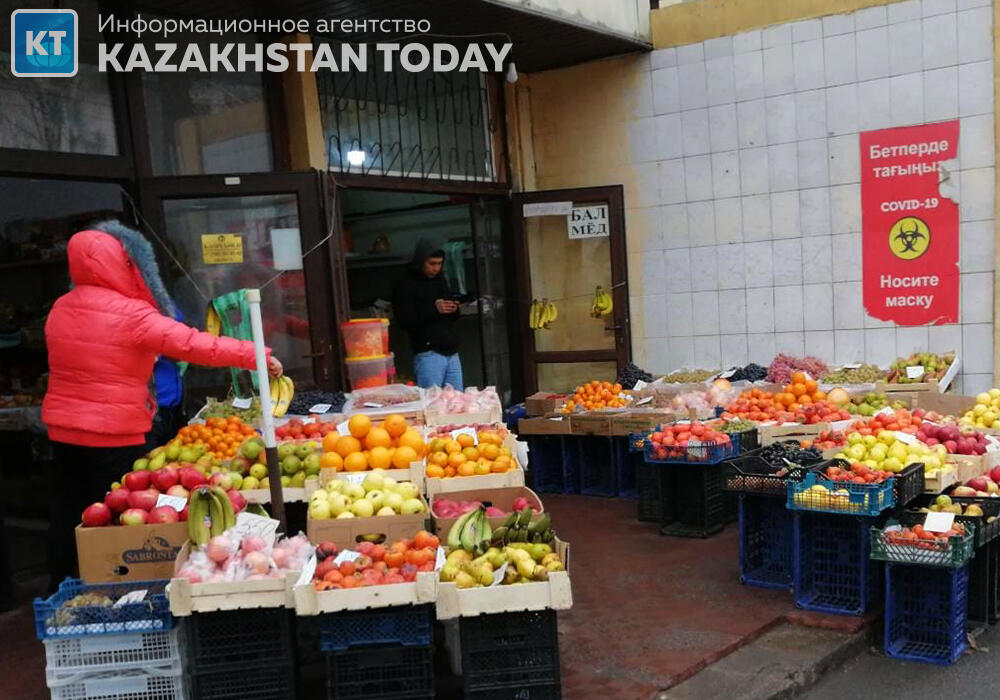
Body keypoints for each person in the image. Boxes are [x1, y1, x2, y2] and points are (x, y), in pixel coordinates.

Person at [42, 220, 283, 587]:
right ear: (125, 264)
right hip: (115, 433)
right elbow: (195, 345)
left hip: (63, 430)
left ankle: (61, 584)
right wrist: (256, 355)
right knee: (117, 518)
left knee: (67, 510)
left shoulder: (61, 307)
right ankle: (122, 586)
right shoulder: (132, 314)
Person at [392, 238, 463, 389]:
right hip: (428, 352)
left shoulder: (440, 279)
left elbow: (450, 316)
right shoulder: (405, 283)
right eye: (432, 264)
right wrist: (434, 309)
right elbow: (404, 320)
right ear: (421, 261)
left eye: (439, 264)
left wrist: (454, 308)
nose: (436, 268)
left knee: (458, 402)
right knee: (432, 403)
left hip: (451, 350)